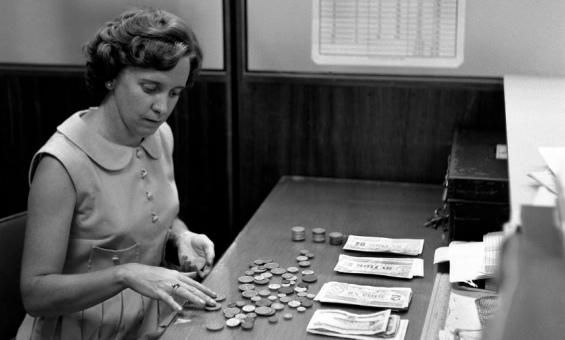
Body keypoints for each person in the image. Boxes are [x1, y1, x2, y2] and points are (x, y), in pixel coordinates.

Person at [17, 7, 218, 340]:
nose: (162, 108)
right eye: (150, 88)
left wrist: (179, 238)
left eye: (174, 93)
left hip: (149, 325)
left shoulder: (160, 135)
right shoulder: (62, 164)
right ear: (111, 76)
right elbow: (35, 295)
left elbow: (153, 222)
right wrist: (124, 274)